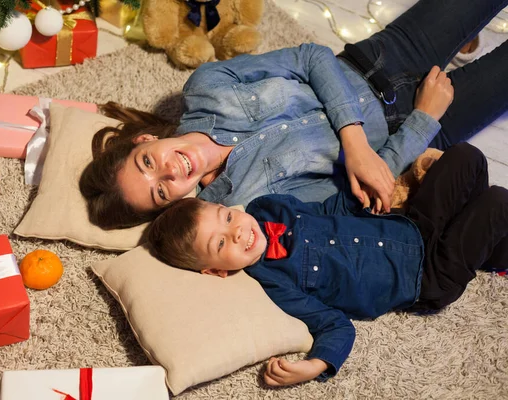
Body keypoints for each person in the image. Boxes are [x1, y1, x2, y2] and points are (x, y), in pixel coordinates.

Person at [80, 0, 508, 230]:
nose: (170, 172)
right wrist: (424, 121)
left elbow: (310, 56)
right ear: (169, 206)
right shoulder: (241, 206)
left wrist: (353, 142)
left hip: (383, 56)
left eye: (148, 164)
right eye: (160, 192)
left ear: (142, 141)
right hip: (425, 127)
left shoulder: (206, 88)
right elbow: (351, 198)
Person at [146, 142, 508, 387]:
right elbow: (333, 323)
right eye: (221, 243)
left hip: (408, 226)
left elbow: (325, 212)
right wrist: (316, 364)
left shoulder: (266, 208)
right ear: (216, 270)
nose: (239, 233)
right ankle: (493, 249)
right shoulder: (273, 282)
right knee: (497, 202)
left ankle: (485, 245)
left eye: (227, 218)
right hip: (426, 278)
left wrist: (362, 198)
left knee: (467, 156)